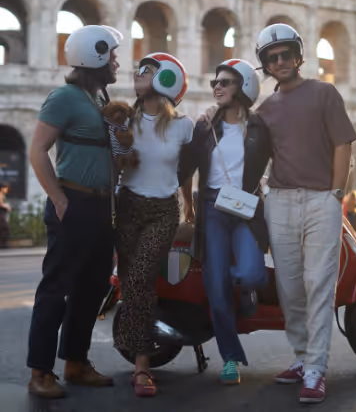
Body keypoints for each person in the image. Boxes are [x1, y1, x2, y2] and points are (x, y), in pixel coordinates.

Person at [255, 23, 356, 404]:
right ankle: (301, 357)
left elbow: (342, 144)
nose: (280, 61)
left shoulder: (324, 93)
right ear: (265, 64)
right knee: (289, 286)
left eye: (285, 54)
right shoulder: (264, 109)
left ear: (298, 56)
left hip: (321, 200)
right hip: (280, 200)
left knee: (319, 283)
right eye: (272, 57)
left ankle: (315, 368)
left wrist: (335, 194)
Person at [27, 25, 122, 399]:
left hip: (101, 206)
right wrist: (59, 199)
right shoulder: (64, 98)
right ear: (94, 57)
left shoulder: (99, 98)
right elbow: (38, 151)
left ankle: (76, 362)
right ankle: (40, 371)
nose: (116, 61)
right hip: (75, 203)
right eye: (111, 54)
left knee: (94, 287)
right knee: (57, 288)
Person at [179, 59, 271, 386]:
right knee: (214, 286)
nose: (217, 86)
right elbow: (184, 169)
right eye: (215, 82)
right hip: (213, 208)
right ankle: (231, 357)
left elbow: (283, 162)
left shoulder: (260, 127)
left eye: (226, 82)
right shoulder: (204, 126)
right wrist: (188, 204)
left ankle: (241, 290)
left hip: (246, 205)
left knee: (252, 273)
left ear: (244, 87)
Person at [114, 52, 193, 398]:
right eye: (139, 69)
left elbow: (187, 169)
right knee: (133, 281)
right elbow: (114, 162)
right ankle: (140, 356)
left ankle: (142, 365)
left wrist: (189, 204)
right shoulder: (123, 121)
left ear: (167, 80)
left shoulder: (184, 126)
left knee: (143, 276)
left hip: (163, 210)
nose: (137, 73)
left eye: (147, 70)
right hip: (128, 205)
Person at [0, 184, 11, 248]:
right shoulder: (0, 194)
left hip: (2, 214)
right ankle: (2, 244)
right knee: (4, 228)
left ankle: (3, 244)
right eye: (5, 188)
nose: (7, 190)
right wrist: (7, 207)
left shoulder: (2, 195)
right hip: (1, 214)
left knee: (3, 229)